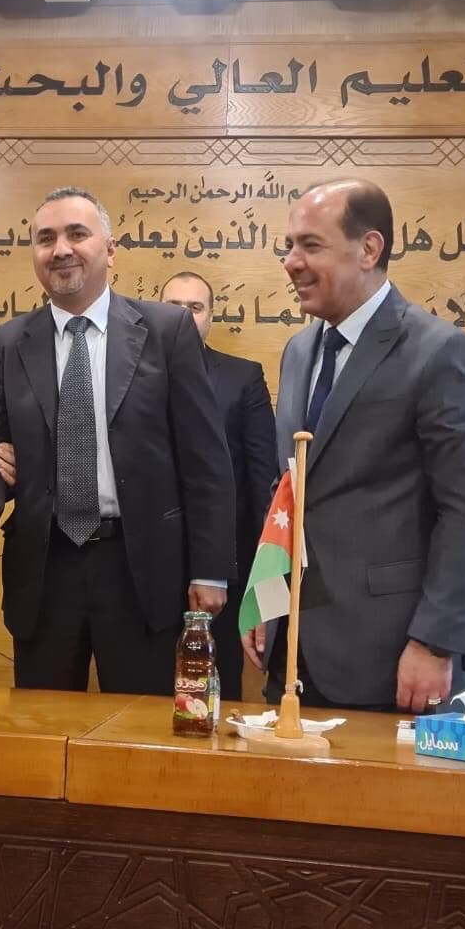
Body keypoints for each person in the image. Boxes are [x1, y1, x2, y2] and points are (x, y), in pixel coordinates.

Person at [0, 186, 236, 695]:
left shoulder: (167, 330)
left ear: (109, 250)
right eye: (46, 238)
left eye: (77, 234)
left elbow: (207, 462)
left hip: (142, 569)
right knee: (41, 726)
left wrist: (211, 571)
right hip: (45, 571)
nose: (61, 249)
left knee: (140, 728)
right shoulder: (8, 342)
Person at [246, 177, 465, 713]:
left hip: (387, 653)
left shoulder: (442, 354)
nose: (291, 262)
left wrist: (434, 643)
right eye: (289, 246)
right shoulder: (297, 351)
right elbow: (289, 488)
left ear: (369, 249)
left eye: (310, 245)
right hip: (292, 651)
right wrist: (267, 596)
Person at [159, 271, 277, 700]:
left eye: (195, 307)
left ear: (210, 316)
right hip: (146, 568)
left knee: (212, 695)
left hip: (224, 570)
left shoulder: (242, 377)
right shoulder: (129, 375)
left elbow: (263, 484)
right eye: (173, 307)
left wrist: (265, 586)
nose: (183, 317)